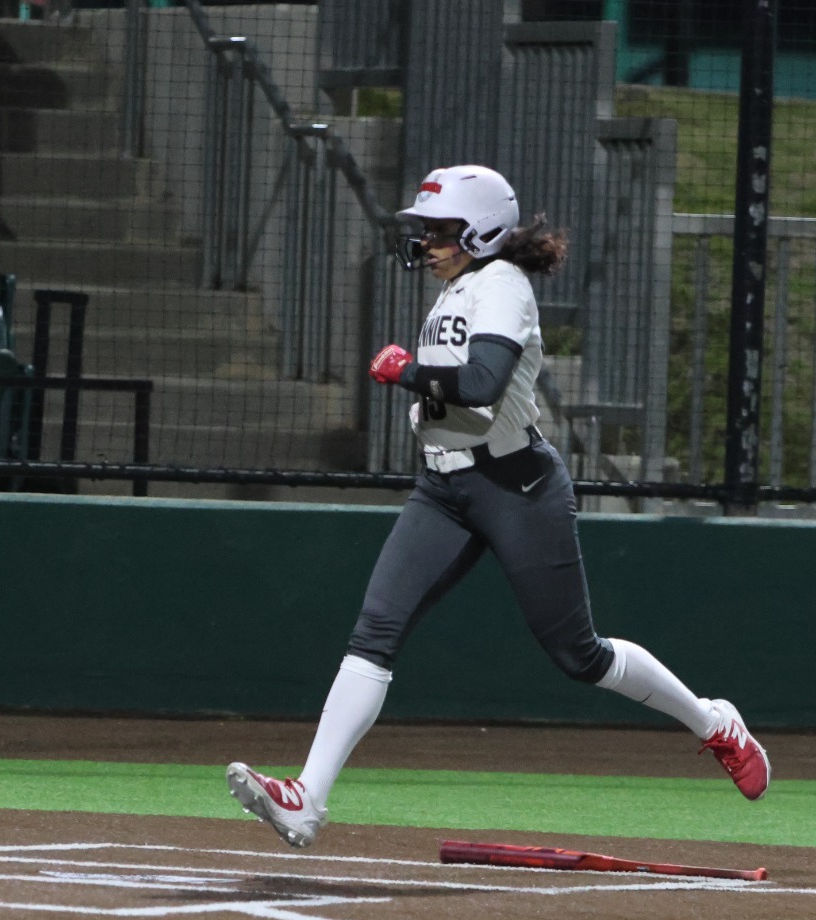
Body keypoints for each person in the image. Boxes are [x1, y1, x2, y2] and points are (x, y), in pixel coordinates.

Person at [224, 165, 768, 849]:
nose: (426, 242)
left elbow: (482, 385)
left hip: (518, 487)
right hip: (443, 488)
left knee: (580, 655)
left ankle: (713, 721)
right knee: (374, 631)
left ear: (478, 231)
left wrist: (406, 371)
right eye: (424, 231)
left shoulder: (503, 286)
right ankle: (307, 797)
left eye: (439, 230)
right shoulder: (459, 288)